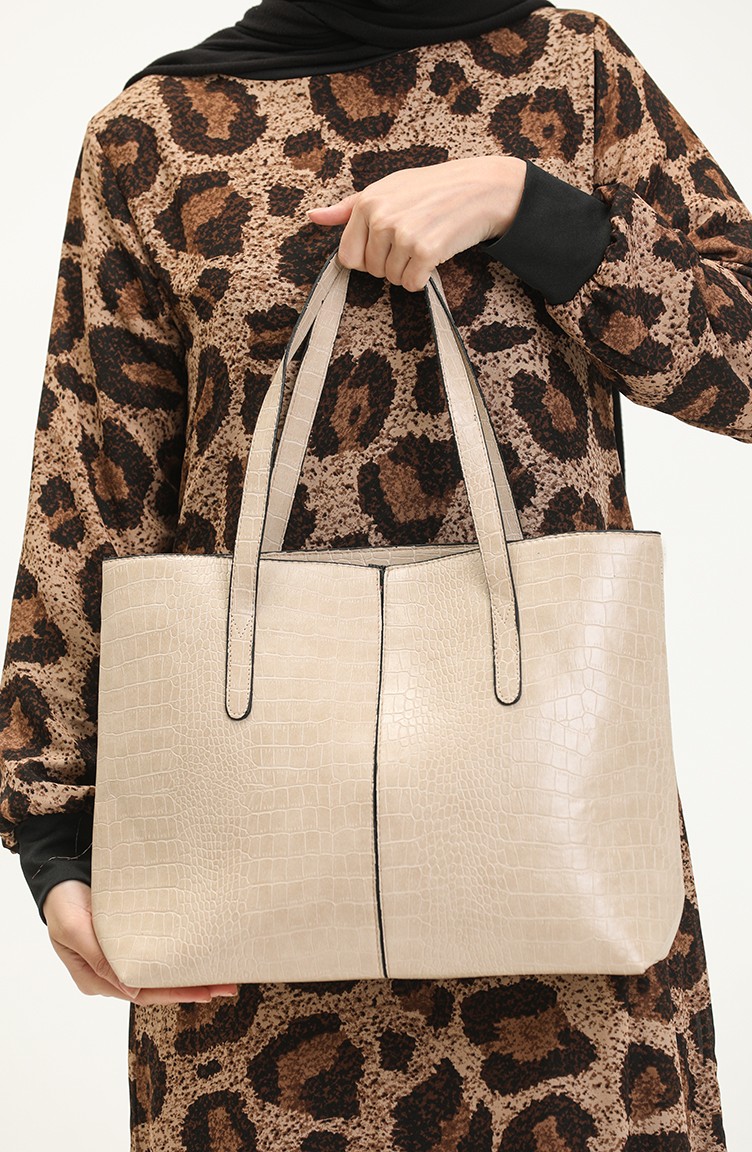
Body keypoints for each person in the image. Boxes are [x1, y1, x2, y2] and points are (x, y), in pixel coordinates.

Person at [1, 0, 749, 1147]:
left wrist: (526, 205)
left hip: (560, 884)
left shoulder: (572, 70)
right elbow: (91, 491)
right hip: (240, 899)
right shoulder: (150, 136)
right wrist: (51, 840)